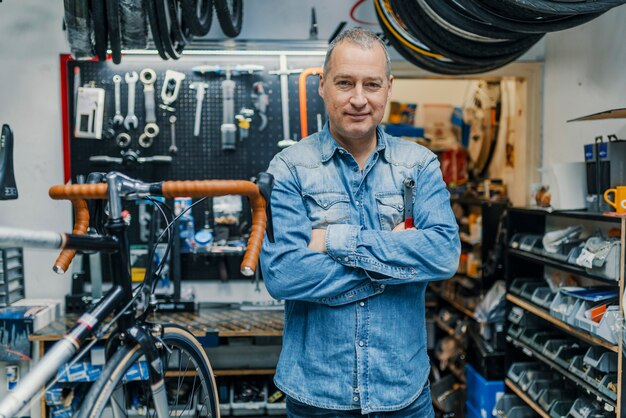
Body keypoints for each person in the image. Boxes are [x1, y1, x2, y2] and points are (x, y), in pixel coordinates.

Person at [260, 27, 460, 417]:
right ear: (322, 86)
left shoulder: (419, 166)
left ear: (388, 88)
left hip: (403, 393)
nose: (358, 99)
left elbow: (443, 255)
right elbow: (284, 275)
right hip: (317, 395)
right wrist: (398, 264)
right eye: (344, 83)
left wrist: (335, 240)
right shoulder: (289, 169)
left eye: (371, 85)